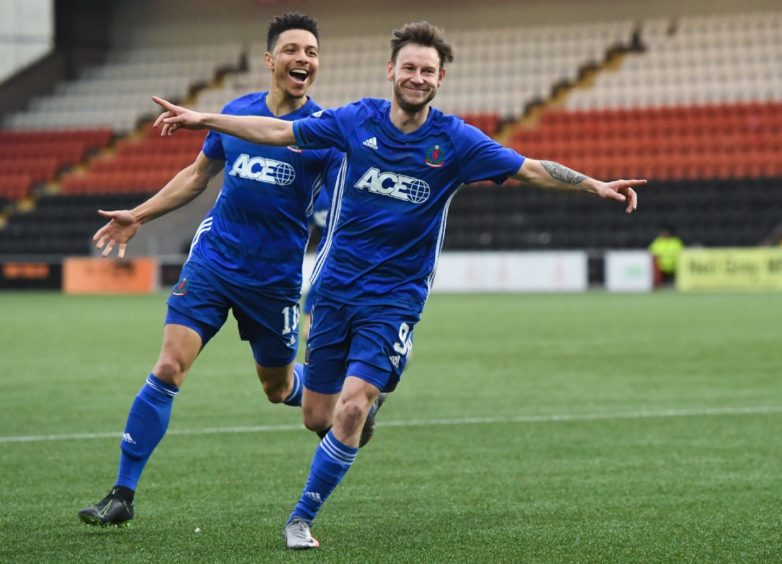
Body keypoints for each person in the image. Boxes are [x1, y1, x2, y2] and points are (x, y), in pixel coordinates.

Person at [151, 21, 644, 549]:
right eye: (409, 67)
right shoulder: (353, 120)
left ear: (440, 78)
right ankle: (361, 411)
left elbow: (529, 169)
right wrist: (204, 119)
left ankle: (301, 519)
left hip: (395, 299)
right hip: (335, 291)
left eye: (427, 71)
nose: (417, 77)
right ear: (391, 71)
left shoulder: (455, 141)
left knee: (352, 405)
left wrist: (595, 184)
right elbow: (279, 132)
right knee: (317, 415)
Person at [78, 12, 352, 528]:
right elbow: (198, 175)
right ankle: (122, 495)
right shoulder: (236, 113)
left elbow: (342, 212)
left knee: (276, 387)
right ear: (271, 60)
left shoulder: (324, 135)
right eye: (293, 50)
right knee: (168, 367)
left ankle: (340, 397)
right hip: (213, 261)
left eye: (312, 52)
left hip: (273, 281)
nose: (303, 59)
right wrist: (137, 214)